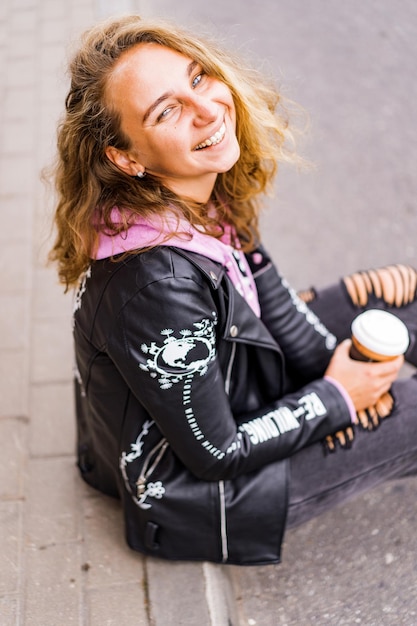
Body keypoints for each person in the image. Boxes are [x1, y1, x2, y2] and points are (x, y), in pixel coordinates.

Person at [50, 15, 417, 565]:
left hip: (231, 385)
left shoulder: (191, 194)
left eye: (197, 78)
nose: (207, 110)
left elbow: (265, 290)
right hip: (190, 493)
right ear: (127, 158)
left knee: (399, 300)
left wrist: (336, 366)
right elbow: (216, 452)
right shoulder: (156, 286)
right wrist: (337, 397)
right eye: (166, 111)